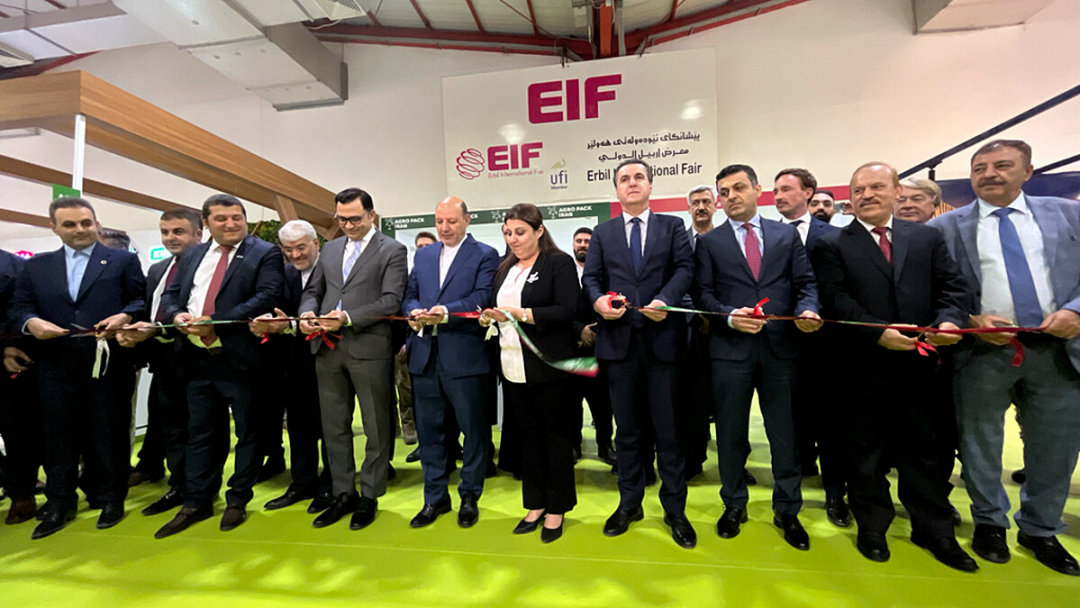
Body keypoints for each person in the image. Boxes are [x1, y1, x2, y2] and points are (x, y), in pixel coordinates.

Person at [811, 162, 977, 572]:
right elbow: (835, 299)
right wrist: (877, 333)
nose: (867, 195)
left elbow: (953, 288)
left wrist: (949, 322)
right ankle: (872, 525)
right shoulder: (832, 244)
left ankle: (933, 528)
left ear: (896, 190)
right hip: (861, 364)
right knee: (864, 452)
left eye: (876, 187)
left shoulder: (925, 238)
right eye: (859, 189)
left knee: (925, 451)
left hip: (921, 365)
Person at [930, 139, 1080, 576]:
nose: (990, 174)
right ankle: (989, 523)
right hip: (983, 351)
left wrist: (1076, 312)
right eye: (980, 168)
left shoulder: (1068, 215)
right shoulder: (945, 227)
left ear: (1027, 171)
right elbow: (935, 289)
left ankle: (1041, 528)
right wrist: (971, 319)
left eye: (1002, 165)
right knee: (979, 443)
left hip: (1058, 350)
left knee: (1055, 446)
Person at [695, 164, 821, 551]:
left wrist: (809, 309)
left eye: (738, 188)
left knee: (785, 434)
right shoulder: (710, 242)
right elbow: (701, 294)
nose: (730, 196)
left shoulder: (785, 235)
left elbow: (805, 283)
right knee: (730, 434)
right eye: (724, 192)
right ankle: (734, 503)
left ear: (757, 190)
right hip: (729, 351)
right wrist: (728, 316)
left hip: (781, 349)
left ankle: (788, 509)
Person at [581, 158, 697, 549]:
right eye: (624, 179)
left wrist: (665, 299)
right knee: (627, 432)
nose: (632, 183)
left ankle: (675, 510)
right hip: (619, 345)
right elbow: (591, 278)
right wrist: (597, 302)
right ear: (616, 189)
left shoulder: (673, 226)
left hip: (663, 343)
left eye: (639, 177)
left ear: (650, 185)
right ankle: (629, 504)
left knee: (669, 432)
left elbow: (685, 269)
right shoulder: (603, 233)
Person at [14, 197, 146, 539]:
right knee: (58, 437)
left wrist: (125, 316)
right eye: (70, 224)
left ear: (96, 223)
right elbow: (20, 307)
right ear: (54, 228)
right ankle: (60, 502)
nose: (80, 230)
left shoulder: (122, 261)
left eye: (86, 223)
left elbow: (140, 301)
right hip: (54, 365)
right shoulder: (36, 266)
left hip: (107, 364)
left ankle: (111, 497)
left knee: (109, 434)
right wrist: (31, 323)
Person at [154, 194, 284, 538]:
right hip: (196, 358)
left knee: (248, 433)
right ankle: (196, 501)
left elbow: (266, 296)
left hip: (240, 359)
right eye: (222, 218)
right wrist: (176, 316)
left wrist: (216, 321)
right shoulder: (193, 254)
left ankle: (238, 499)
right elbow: (171, 295)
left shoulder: (263, 253)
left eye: (236, 217)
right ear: (206, 222)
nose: (230, 224)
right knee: (201, 434)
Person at [296, 189, 407, 530]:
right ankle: (342, 492)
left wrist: (347, 317)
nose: (348, 225)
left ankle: (370, 495)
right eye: (341, 219)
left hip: (369, 347)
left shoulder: (392, 250)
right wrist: (307, 313)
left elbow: (391, 300)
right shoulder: (330, 249)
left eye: (355, 219)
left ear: (371, 215)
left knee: (376, 426)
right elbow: (313, 290)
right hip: (327, 348)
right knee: (334, 427)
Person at [479, 203, 580, 543]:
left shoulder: (558, 263)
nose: (513, 239)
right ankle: (534, 504)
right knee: (528, 438)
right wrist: (490, 316)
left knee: (555, 437)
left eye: (520, 232)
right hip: (512, 364)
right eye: (508, 233)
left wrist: (521, 314)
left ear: (539, 230)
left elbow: (567, 310)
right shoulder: (504, 268)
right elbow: (498, 308)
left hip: (548, 365)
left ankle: (557, 509)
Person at [403, 196, 499, 528]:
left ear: (467, 220)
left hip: (465, 356)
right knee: (430, 432)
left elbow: (483, 296)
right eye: (440, 221)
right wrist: (412, 311)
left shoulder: (485, 254)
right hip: (425, 356)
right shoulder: (424, 254)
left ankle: (470, 495)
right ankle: (435, 498)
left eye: (452, 221)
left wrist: (445, 312)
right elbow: (410, 293)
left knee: (473, 430)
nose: (445, 228)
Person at [772, 168, 849, 527]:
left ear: (808, 192)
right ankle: (792, 488)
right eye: (775, 191)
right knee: (787, 420)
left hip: (824, 344)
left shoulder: (835, 236)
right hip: (779, 343)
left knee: (830, 423)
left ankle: (835, 493)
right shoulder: (767, 235)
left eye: (786, 189)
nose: (779, 196)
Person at [119, 207, 204, 518]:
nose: (170, 238)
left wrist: (157, 329)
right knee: (172, 430)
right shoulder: (158, 269)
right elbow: (148, 309)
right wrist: (133, 330)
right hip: (162, 360)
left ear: (198, 234)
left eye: (178, 231)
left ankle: (197, 492)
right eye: (165, 232)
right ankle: (179, 487)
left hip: (198, 361)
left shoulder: (207, 269)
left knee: (198, 432)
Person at [252, 219, 334, 515]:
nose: (296, 255)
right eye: (288, 249)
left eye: (301, 247)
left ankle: (331, 484)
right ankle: (302, 483)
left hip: (328, 360)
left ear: (316, 244)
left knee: (331, 426)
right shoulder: (282, 274)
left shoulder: (334, 272)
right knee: (298, 426)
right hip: (291, 362)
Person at [1, 249, 44, 526]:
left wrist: (6, 347)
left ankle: (21, 493)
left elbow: (19, 313)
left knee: (18, 432)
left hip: (8, 363)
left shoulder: (12, 266)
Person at [681, 185, 719, 480]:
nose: (701, 206)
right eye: (695, 203)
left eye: (706, 201)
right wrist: (696, 318)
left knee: (727, 400)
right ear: (689, 208)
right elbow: (676, 283)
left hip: (727, 328)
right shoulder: (679, 243)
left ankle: (734, 463)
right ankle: (693, 459)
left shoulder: (726, 240)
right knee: (692, 400)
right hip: (689, 333)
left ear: (716, 205)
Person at [570, 226, 615, 466]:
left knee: (602, 403)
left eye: (587, 241)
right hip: (571, 348)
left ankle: (605, 446)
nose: (583, 245)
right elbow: (562, 309)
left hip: (600, 348)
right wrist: (579, 330)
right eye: (579, 241)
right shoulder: (565, 273)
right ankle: (573, 446)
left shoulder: (604, 274)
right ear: (573, 245)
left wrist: (594, 331)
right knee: (571, 403)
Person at [401, 231, 437, 464]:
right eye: (419, 247)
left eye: (427, 246)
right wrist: (412, 312)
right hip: (418, 345)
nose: (423, 250)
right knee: (417, 401)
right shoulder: (413, 273)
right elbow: (406, 300)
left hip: (449, 345)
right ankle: (424, 447)